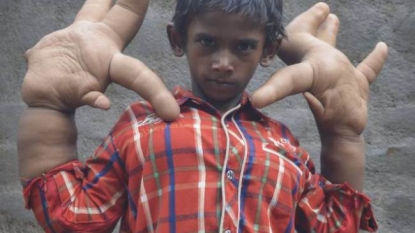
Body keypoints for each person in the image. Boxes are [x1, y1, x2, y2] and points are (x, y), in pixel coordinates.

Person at [17, 0, 388, 232]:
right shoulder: (141, 126)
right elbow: (72, 215)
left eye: (243, 47)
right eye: (207, 41)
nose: (223, 63)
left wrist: (343, 138)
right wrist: (48, 106)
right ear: (178, 39)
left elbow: (334, 226)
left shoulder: (283, 144)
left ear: (269, 49)